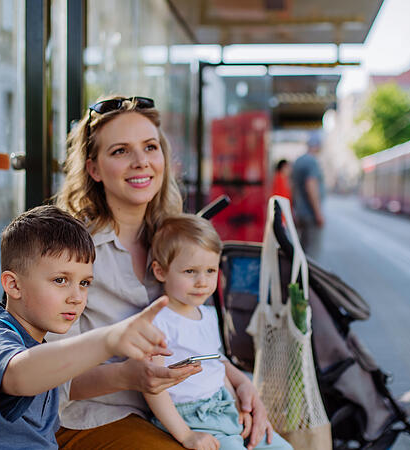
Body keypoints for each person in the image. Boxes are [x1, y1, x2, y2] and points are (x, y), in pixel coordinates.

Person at [53, 95, 273, 450]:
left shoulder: (176, 241)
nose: (141, 162)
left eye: (150, 147)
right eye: (121, 151)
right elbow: (53, 376)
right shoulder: (71, 250)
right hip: (95, 417)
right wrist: (126, 376)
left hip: (187, 411)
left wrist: (241, 384)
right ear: (93, 169)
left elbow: (198, 343)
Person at [0, 205, 172, 448]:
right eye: (60, 280)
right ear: (13, 285)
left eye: (85, 283)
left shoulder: (36, 345)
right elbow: (18, 375)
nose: (77, 297)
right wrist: (108, 340)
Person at [145, 214, 292, 450]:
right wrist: (185, 435)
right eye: (190, 271)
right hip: (190, 417)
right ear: (160, 271)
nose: (202, 282)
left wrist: (238, 396)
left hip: (222, 406)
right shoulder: (158, 322)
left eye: (210, 271)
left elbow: (215, 361)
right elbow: (152, 387)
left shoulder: (207, 314)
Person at [290, 133, 325, 250]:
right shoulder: (312, 162)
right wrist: (318, 213)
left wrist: (293, 210)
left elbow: (292, 187)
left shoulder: (298, 161)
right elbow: (311, 186)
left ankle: (300, 269)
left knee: (302, 250)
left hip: (300, 213)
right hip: (310, 215)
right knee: (312, 254)